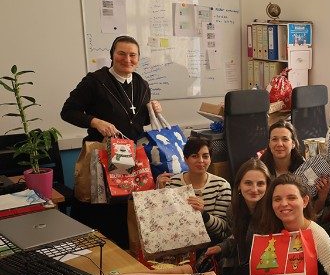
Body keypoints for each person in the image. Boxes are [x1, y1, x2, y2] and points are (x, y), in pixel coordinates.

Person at [61, 35, 162, 249]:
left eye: (133, 55)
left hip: (131, 159)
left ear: (138, 58)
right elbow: (68, 111)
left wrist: (152, 111)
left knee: (127, 213)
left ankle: (127, 257)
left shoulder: (141, 84)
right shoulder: (95, 81)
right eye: (121, 53)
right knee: (102, 211)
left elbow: (136, 121)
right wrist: (95, 121)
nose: (127, 59)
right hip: (102, 157)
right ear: (112, 55)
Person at [204, 158, 271, 275]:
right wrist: (221, 247)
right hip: (240, 271)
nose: (254, 189)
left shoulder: (273, 213)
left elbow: (274, 258)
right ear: (239, 186)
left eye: (260, 184)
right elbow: (235, 238)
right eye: (248, 183)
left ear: (268, 186)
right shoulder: (233, 210)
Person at [156, 137, 231, 244]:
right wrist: (159, 193)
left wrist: (203, 214)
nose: (201, 161)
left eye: (205, 156)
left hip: (210, 244)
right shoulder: (171, 183)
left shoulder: (221, 186)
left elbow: (222, 228)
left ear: (210, 159)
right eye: (194, 156)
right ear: (185, 159)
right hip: (176, 242)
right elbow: (162, 222)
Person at [260, 120, 330, 214]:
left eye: (285, 139)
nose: (279, 144)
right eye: (274, 139)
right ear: (269, 144)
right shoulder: (261, 170)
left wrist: (322, 197)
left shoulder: (306, 169)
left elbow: (311, 214)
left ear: (293, 143)